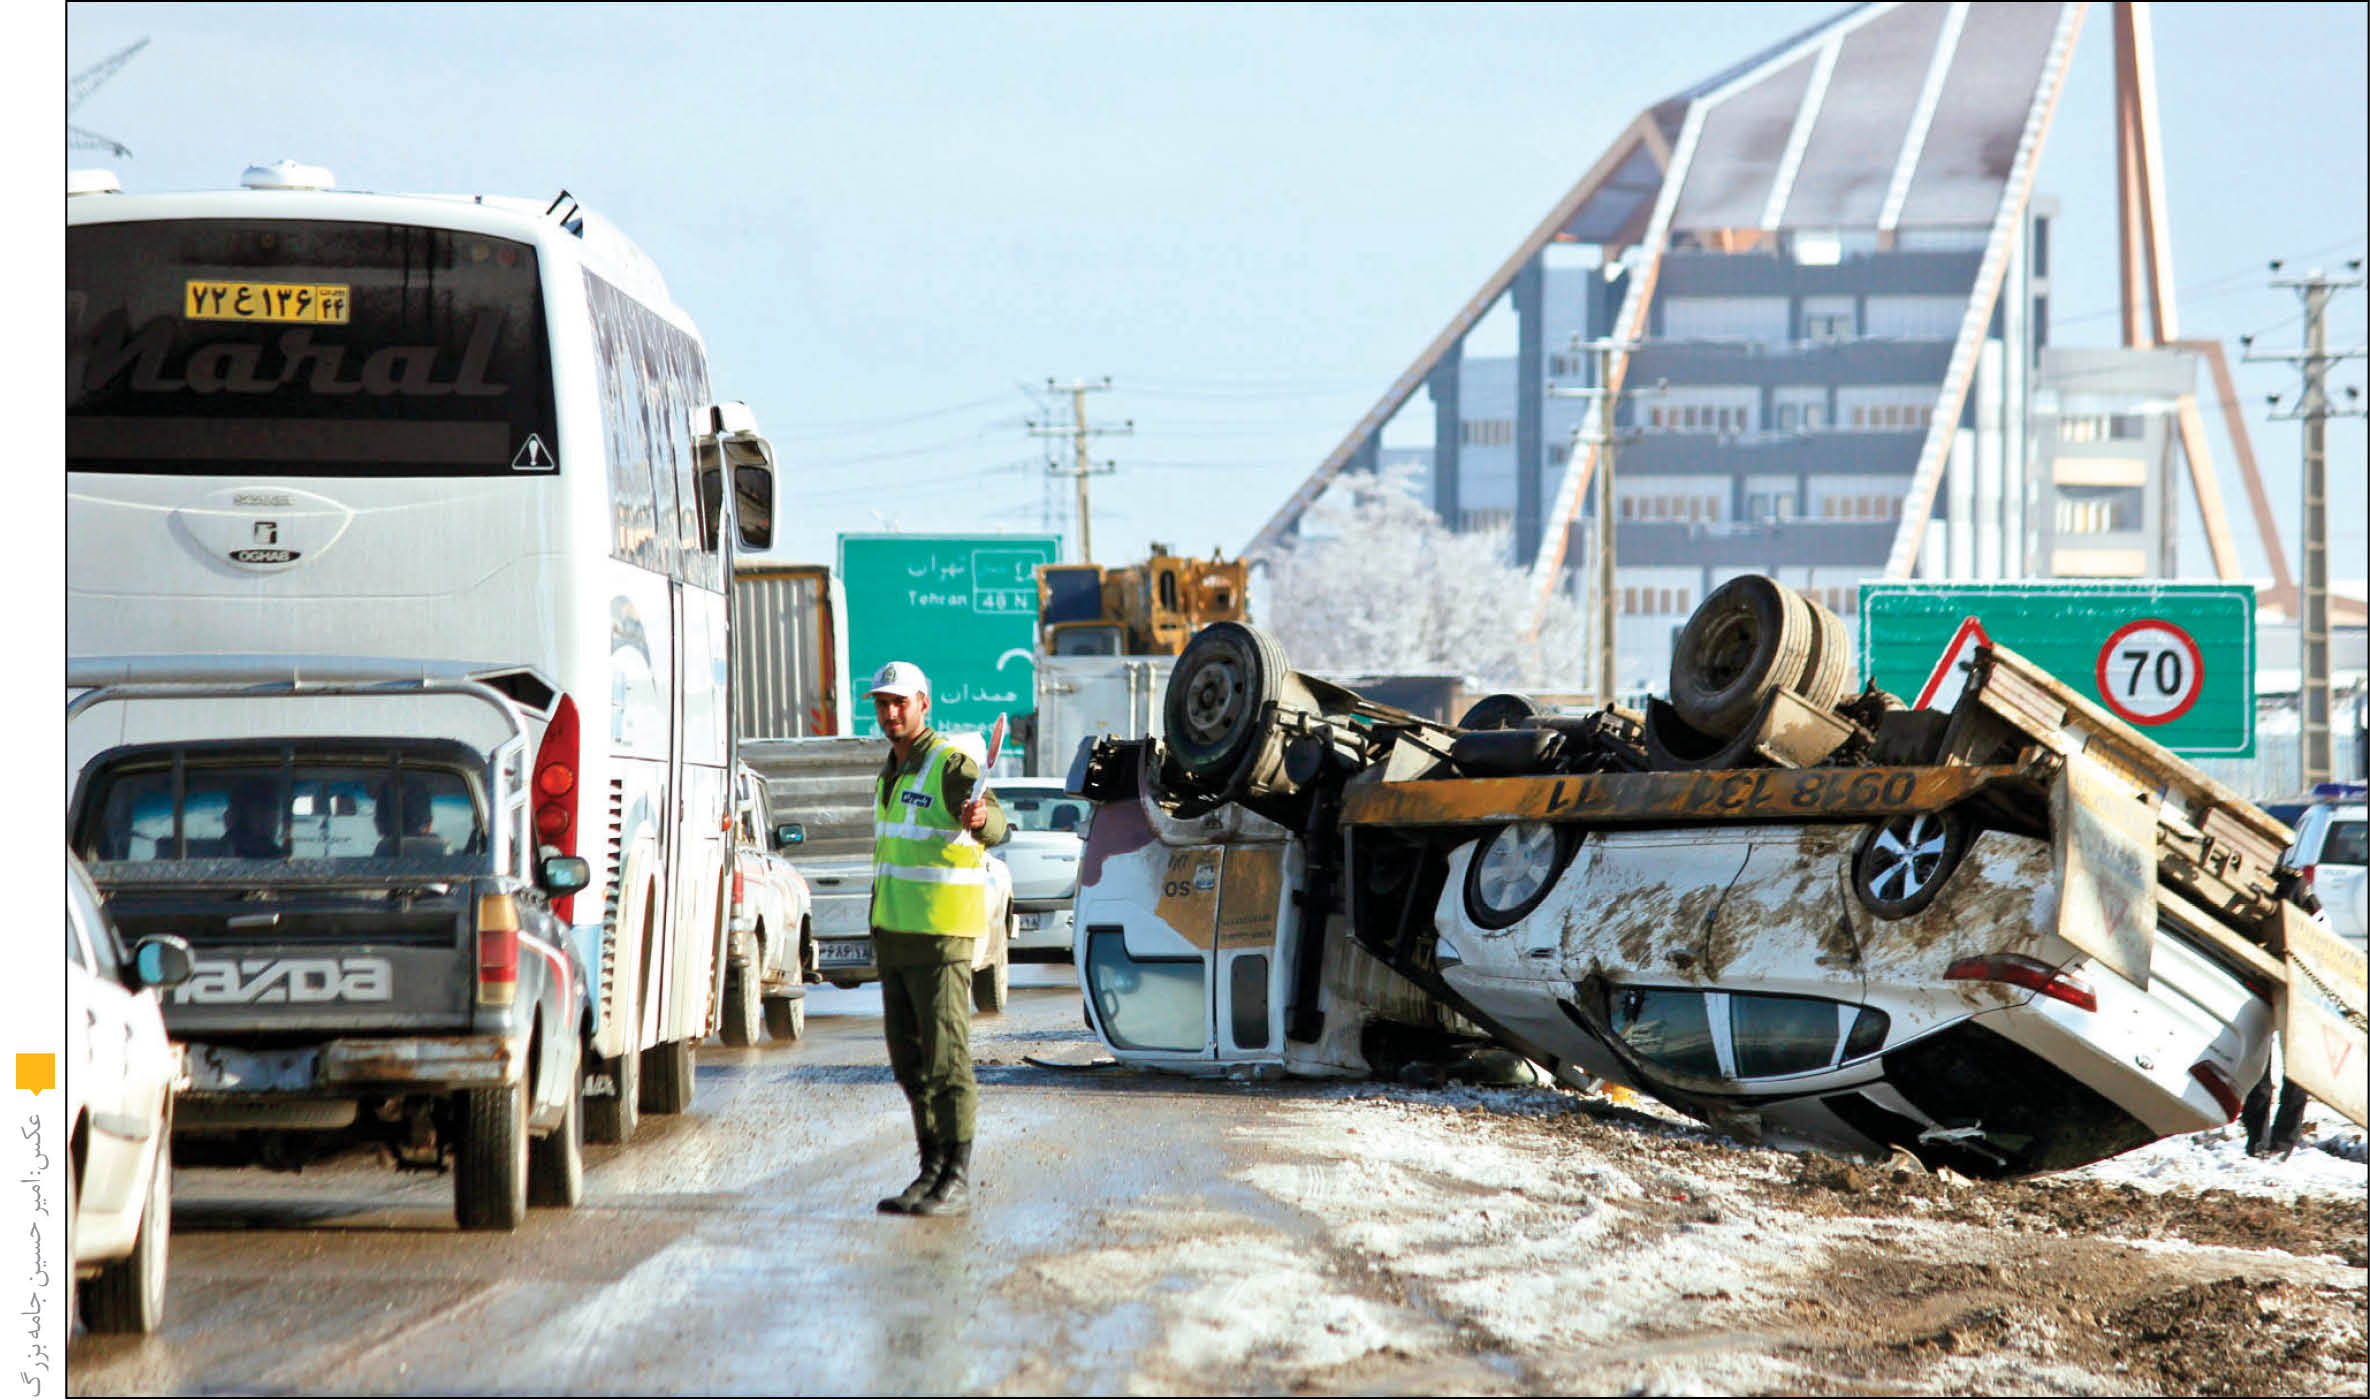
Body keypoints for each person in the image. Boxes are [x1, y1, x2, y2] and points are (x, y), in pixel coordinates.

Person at [865, 660, 1006, 1217]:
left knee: (948, 1061)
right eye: (882, 703)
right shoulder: (891, 770)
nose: (891, 712)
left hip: (941, 936)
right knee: (909, 1063)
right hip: (896, 935)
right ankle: (930, 1171)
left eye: (901, 702)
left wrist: (979, 820)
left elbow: (994, 822)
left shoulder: (950, 764)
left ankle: (957, 1176)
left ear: (924, 703)